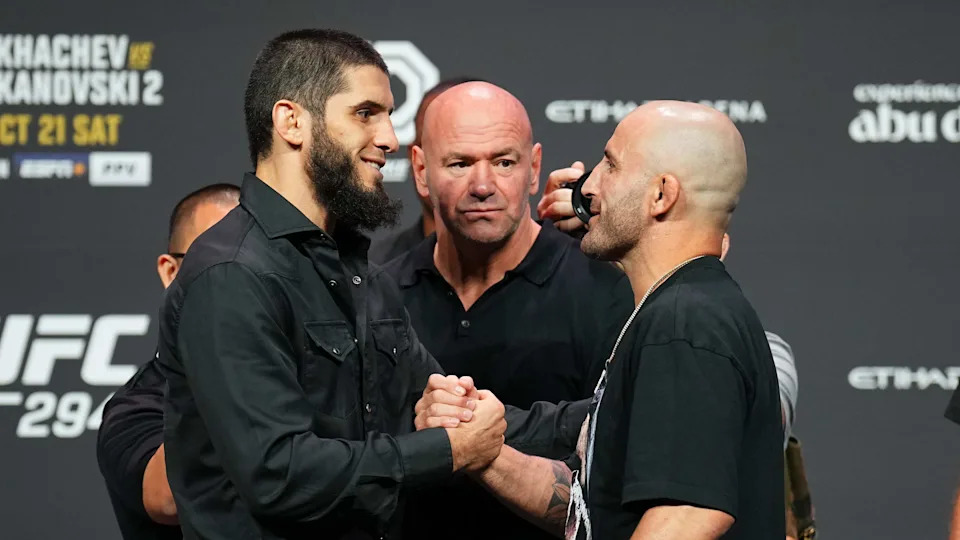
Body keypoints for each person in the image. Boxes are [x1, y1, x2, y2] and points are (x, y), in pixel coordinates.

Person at [155, 29, 582, 539]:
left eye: (387, 115)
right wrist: (448, 451)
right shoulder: (233, 273)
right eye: (365, 113)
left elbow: (457, 411)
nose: (389, 139)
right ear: (292, 121)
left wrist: (613, 411)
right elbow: (279, 474)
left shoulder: (360, 275)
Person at [416, 100, 784, 539]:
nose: (587, 187)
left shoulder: (683, 323)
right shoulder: (671, 311)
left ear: (661, 195)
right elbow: (586, 508)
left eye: (610, 166)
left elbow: (686, 516)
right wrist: (480, 445)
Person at [385, 81, 633, 539]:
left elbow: (623, 436)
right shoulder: (379, 293)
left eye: (504, 162)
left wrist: (467, 428)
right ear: (420, 170)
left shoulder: (605, 289)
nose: (483, 186)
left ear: (534, 167)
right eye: (459, 164)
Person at [96, 183, 240, 540]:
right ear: (171, 272)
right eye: (217, 261)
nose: (243, 281)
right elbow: (168, 500)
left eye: (255, 260)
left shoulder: (303, 375)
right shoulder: (135, 410)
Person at [368, 76, 483, 264]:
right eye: (457, 160)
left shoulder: (547, 259)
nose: (480, 183)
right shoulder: (372, 273)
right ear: (417, 162)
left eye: (499, 160)